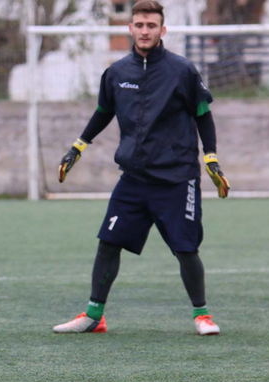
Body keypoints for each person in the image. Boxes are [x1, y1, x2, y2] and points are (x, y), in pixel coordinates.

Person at [51, 0, 230, 336]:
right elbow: (103, 112)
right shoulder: (116, 73)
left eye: (151, 25)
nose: (145, 31)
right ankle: (94, 316)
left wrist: (211, 158)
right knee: (108, 242)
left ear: (162, 30)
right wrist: (78, 147)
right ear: (130, 28)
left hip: (177, 178)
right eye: (139, 25)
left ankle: (202, 315)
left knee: (185, 248)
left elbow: (203, 115)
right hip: (133, 178)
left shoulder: (183, 71)